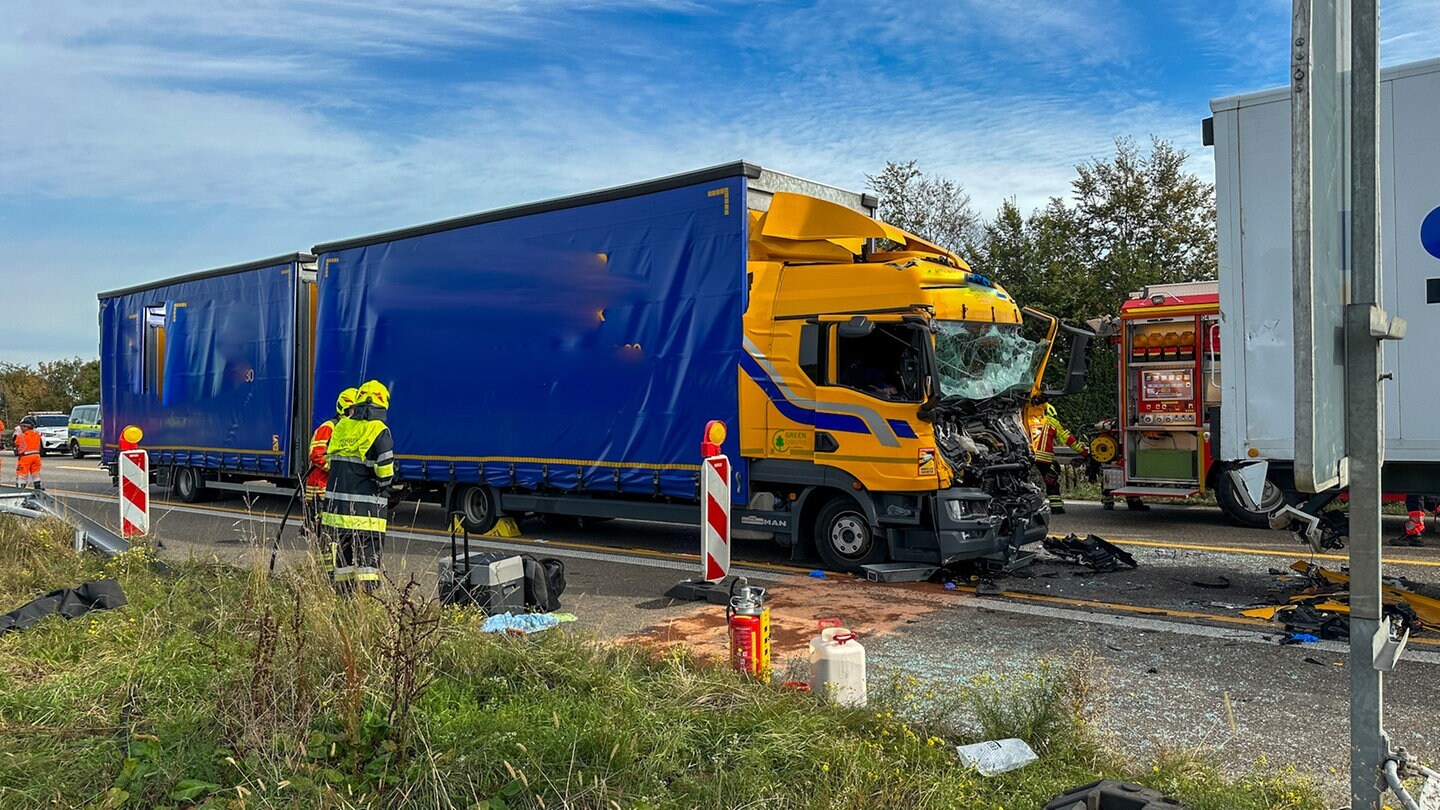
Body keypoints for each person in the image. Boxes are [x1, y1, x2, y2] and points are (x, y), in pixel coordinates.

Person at [322, 380, 394, 594]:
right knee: (367, 565)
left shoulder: (341, 426)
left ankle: (344, 598)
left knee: (343, 560)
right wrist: (384, 485)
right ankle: (367, 601)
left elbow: (329, 461)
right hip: (366, 515)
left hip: (336, 514)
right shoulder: (379, 430)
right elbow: (385, 474)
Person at [303, 387, 358, 537]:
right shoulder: (329, 427)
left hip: (334, 486)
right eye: (352, 409)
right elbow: (316, 455)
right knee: (321, 530)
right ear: (344, 409)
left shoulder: (349, 429)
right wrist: (337, 468)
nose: (355, 414)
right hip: (320, 487)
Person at [1028, 403, 1086, 514]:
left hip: (1028, 456)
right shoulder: (1051, 422)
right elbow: (1067, 438)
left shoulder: (1026, 418)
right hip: (1044, 457)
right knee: (1051, 480)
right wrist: (1084, 452)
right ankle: (1056, 507)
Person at [14, 418, 42, 490]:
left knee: (21, 475)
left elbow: (16, 443)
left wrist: (17, 433)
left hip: (25, 457)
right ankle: (38, 487)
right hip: (36, 456)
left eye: (22, 427)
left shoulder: (21, 436)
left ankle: (20, 489)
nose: (21, 428)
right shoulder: (37, 434)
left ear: (26, 426)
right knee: (36, 473)